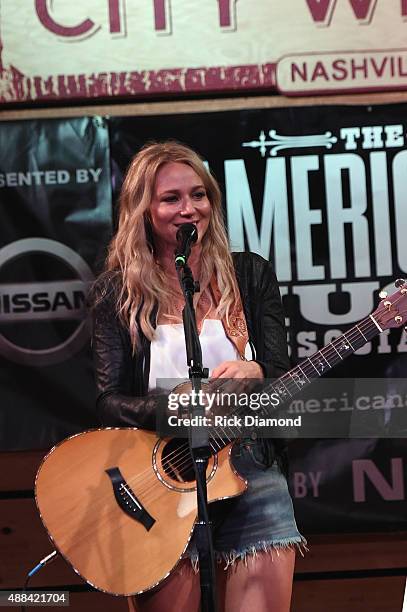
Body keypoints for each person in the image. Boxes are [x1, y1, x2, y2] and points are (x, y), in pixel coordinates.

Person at [92, 141, 305, 612]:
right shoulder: (117, 293)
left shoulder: (249, 274)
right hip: (162, 474)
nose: (189, 209)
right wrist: (181, 405)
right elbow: (109, 399)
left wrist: (259, 370)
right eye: (171, 198)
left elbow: (283, 377)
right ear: (143, 210)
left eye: (199, 195)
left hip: (249, 464)